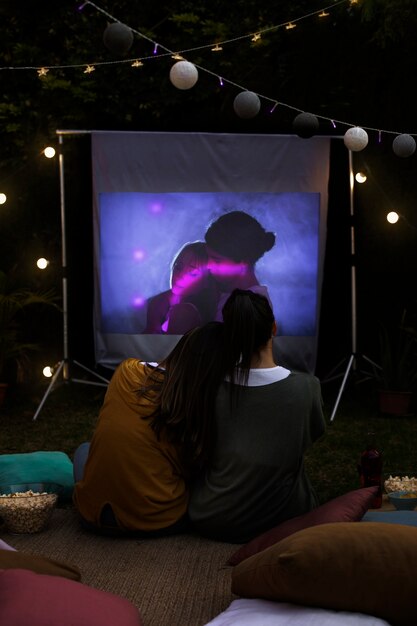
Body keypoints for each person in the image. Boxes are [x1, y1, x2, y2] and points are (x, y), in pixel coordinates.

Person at [187, 288, 326, 543]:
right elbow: (309, 437)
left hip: (213, 517)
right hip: (282, 521)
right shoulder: (307, 388)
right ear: (273, 328)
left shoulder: (210, 387)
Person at [73, 321, 226, 536]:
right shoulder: (194, 406)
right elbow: (193, 468)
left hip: (93, 515)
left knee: (83, 450)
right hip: (157, 520)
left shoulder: (126, 371)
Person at [204, 211, 276, 321]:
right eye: (208, 257)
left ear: (244, 262)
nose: (208, 265)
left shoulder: (249, 308)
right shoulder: (228, 295)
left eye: (217, 260)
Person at [142, 241, 217, 334]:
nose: (180, 275)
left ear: (207, 280)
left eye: (192, 273)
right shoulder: (163, 303)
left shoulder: (186, 312)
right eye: (178, 267)